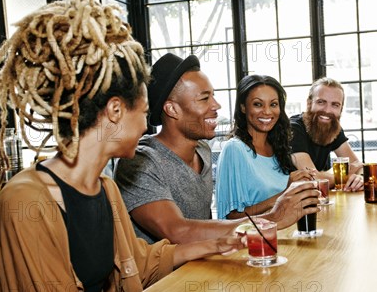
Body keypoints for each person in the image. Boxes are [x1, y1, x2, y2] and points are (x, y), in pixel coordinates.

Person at [0, 0, 244, 292]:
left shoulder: (103, 190)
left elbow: (139, 262)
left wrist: (214, 244)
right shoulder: (27, 201)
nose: (145, 126)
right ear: (116, 112)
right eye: (143, 113)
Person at [114, 54, 319, 244]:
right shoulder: (140, 162)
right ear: (172, 109)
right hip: (167, 281)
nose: (217, 105)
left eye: (213, 96)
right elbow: (178, 231)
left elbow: (207, 226)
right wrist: (273, 218)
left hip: (206, 265)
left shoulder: (202, 150)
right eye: (204, 99)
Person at [216, 75, 313, 219]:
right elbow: (231, 218)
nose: (267, 112)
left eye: (273, 104)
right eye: (258, 104)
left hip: (285, 232)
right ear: (243, 107)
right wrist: (285, 194)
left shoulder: (277, 147)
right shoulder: (234, 149)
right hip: (254, 239)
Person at [290, 77, 364, 191]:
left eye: (335, 105)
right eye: (321, 102)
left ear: (341, 109)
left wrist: (360, 178)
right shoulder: (293, 128)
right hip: (284, 202)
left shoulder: (332, 126)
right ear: (309, 103)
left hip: (317, 200)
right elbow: (314, 179)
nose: (327, 110)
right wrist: (346, 177)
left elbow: (358, 165)